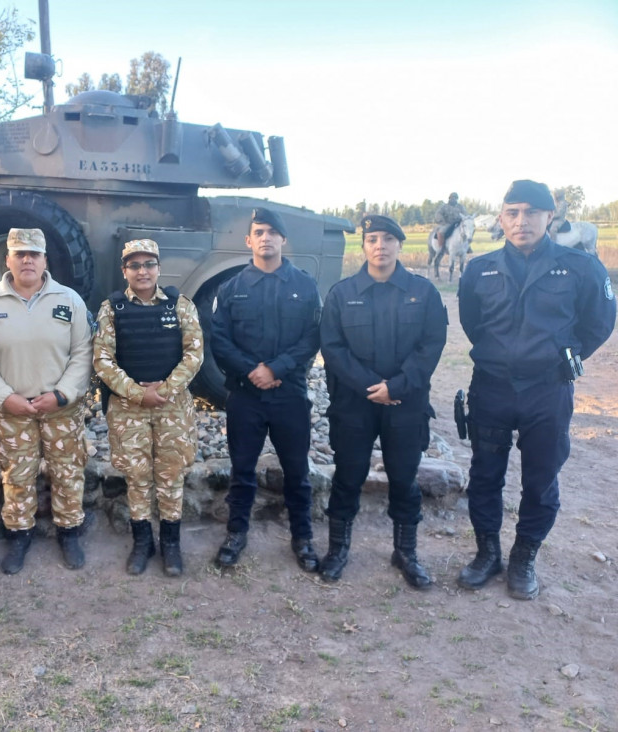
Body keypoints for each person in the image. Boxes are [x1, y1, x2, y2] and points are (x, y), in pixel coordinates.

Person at [457, 180, 615, 600]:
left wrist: (563, 353)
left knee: (541, 479)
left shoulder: (581, 267)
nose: (520, 221)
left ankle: (524, 557)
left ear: (550, 217)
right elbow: (474, 323)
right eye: (512, 212)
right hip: (491, 388)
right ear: (502, 218)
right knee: (485, 475)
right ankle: (487, 553)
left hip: (547, 390)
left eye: (530, 212)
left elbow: (599, 323)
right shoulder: (480, 268)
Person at [318, 214, 447, 588]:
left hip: (405, 404)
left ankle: (406, 552)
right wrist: (372, 386)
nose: (380, 246)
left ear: (400, 245)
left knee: (404, 479)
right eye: (372, 239)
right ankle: (338, 549)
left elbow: (431, 346)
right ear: (364, 246)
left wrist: (399, 387)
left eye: (388, 239)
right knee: (348, 476)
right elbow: (333, 348)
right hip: (354, 404)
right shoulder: (342, 293)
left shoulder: (423, 292)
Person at [0, 228, 93, 575]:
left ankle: (69, 532)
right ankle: (19, 535)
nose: (27, 260)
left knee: (68, 472)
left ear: (44, 261)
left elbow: (84, 352)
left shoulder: (68, 300)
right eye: (20, 253)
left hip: (61, 408)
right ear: (6, 259)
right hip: (12, 411)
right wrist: (4, 397)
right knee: (17, 476)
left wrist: (62, 394)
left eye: (34, 254)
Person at [211, 207, 322, 570]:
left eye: (273, 232)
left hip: (288, 394)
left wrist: (276, 368)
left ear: (283, 239)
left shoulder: (304, 286)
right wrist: (252, 372)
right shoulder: (231, 289)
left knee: (297, 471)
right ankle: (236, 532)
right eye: (259, 231)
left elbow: (311, 338)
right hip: (246, 396)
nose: (266, 237)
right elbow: (220, 340)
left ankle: (302, 537)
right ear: (248, 240)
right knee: (242, 471)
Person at [93, 239, 204, 576]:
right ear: (124, 270)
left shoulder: (179, 305)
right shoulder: (111, 309)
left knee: (171, 475)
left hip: (173, 407)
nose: (142, 271)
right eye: (134, 265)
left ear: (158, 267)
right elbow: (102, 360)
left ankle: (171, 544)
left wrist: (165, 390)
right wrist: (138, 394)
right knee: (137, 477)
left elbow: (194, 353)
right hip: (128, 409)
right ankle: (143, 542)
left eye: (148, 264)